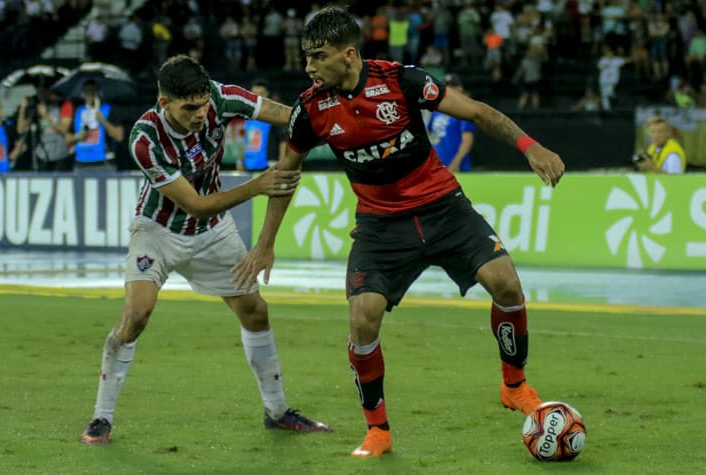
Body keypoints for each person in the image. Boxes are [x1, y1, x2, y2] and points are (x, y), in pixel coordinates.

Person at [232, 7, 565, 458]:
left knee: (506, 283)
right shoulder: (309, 110)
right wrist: (265, 244)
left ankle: (514, 383)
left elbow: (477, 112)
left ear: (348, 54)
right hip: (380, 224)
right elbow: (286, 174)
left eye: (318, 56)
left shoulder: (401, 81)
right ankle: (378, 431)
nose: (308, 67)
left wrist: (531, 146)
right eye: (305, 57)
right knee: (362, 318)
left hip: (444, 207)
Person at [79, 54, 331, 445]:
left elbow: (283, 114)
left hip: (213, 232)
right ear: (165, 104)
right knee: (137, 314)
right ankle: (101, 417)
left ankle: (277, 411)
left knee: (256, 310)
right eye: (190, 108)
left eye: (203, 104)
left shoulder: (220, 97)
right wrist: (255, 186)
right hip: (158, 230)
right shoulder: (145, 140)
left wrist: (323, 115)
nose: (201, 114)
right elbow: (194, 203)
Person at [16, 85, 74, 172]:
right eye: (39, 93)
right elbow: (21, 129)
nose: (41, 95)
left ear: (50, 92)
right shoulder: (37, 109)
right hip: (43, 155)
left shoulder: (63, 105)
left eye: (43, 92)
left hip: (61, 155)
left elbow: (63, 129)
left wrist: (45, 116)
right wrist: (22, 108)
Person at [426, 74, 476, 173]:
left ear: (460, 88)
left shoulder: (464, 110)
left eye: (453, 86)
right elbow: (428, 134)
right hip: (438, 167)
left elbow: (467, 140)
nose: (449, 89)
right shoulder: (436, 110)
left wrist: (456, 163)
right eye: (446, 86)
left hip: (457, 167)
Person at [72, 79, 124, 171]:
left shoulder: (108, 110)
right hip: (81, 162)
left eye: (92, 91)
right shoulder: (79, 111)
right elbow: (67, 138)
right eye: (86, 91)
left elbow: (119, 136)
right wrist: (77, 137)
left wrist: (102, 120)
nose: (89, 94)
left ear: (99, 93)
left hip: (103, 161)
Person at [239, 79, 286, 172]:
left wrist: (282, 166)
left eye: (261, 94)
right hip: (249, 168)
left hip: (269, 168)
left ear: (267, 94)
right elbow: (244, 141)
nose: (257, 97)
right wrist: (240, 162)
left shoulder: (274, 117)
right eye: (254, 94)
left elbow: (283, 142)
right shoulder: (246, 117)